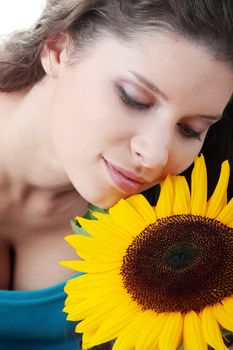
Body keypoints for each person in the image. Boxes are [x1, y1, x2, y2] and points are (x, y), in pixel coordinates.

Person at [0, 0, 232, 349]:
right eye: (134, 99)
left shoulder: (195, 215)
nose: (155, 156)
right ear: (58, 49)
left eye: (190, 129)